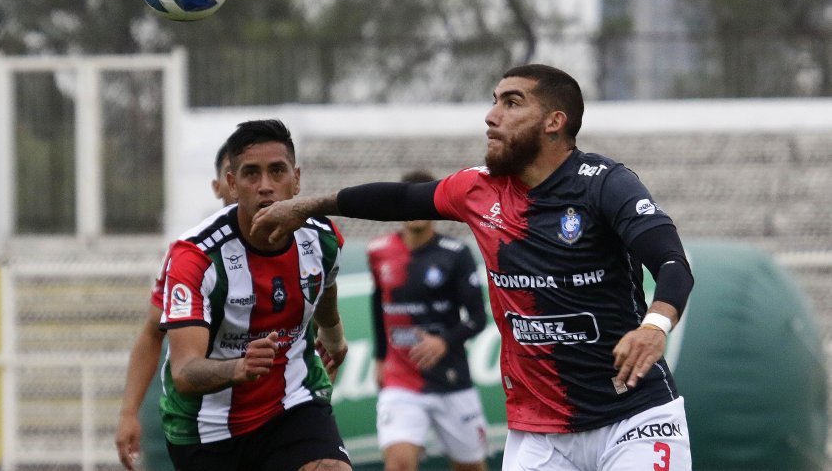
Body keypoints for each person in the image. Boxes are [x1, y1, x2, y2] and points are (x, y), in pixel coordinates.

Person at [251, 65, 695, 471]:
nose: (491, 115)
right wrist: (307, 205)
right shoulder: (477, 190)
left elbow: (673, 262)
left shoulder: (606, 184)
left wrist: (655, 325)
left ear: (554, 121)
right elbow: (400, 199)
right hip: (541, 433)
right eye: (494, 100)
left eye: (511, 102)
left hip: (635, 418)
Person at [159, 119, 352, 471]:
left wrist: (335, 339)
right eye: (251, 174)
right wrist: (239, 368)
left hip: (293, 404)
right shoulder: (197, 257)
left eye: (277, 171)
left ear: (296, 179)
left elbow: (325, 287)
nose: (266, 187)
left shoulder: (322, 238)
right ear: (232, 184)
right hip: (208, 428)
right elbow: (184, 372)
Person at [115, 143, 236, 470]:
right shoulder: (190, 255)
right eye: (236, 174)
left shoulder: (298, 244)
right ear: (219, 186)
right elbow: (152, 333)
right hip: (205, 422)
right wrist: (128, 413)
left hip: (275, 414)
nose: (247, 184)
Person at [368, 169, 490, 471]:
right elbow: (377, 301)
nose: (414, 209)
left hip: (451, 381)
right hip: (401, 381)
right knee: (399, 464)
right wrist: (380, 357)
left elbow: (477, 318)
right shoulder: (379, 251)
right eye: (407, 201)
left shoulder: (456, 254)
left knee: (471, 467)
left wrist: (444, 341)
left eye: (421, 200)